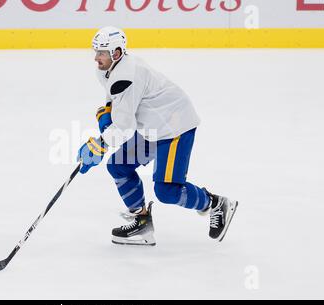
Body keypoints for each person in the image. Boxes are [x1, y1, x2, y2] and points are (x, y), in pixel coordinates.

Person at [77, 26, 238, 246]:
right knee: (118, 166)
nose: (96, 58)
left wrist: (99, 146)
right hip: (152, 127)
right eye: (95, 51)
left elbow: (124, 127)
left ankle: (215, 203)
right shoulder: (108, 69)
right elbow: (114, 99)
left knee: (167, 190)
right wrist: (107, 114)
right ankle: (141, 222)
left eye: (101, 52)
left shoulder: (127, 75)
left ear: (116, 53)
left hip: (175, 127)